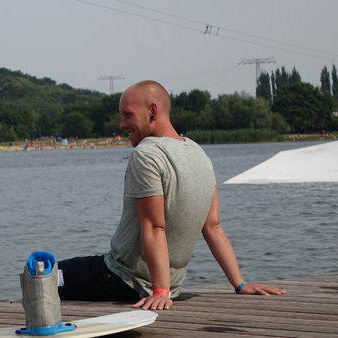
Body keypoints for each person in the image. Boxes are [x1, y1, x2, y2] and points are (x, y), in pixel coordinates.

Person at [57, 80, 286, 310]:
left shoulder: (147, 155)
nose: (122, 124)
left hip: (122, 278)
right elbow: (213, 227)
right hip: (171, 285)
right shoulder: (199, 154)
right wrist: (240, 283)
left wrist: (159, 291)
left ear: (152, 111)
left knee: (40, 275)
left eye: (128, 115)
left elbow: (155, 227)